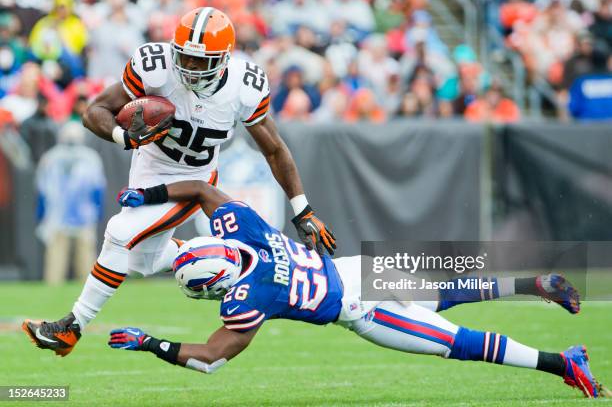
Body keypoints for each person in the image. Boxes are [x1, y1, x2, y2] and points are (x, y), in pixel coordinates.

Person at [21, 6, 335, 357]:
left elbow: (275, 150)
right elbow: (94, 110)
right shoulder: (156, 68)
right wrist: (124, 137)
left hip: (195, 178)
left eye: (202, 61)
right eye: (185, 57)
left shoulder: (244, 88)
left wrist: (301, 209)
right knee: (142, 261)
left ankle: (72, 326)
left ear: (223, 59)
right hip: (148, 168)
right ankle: (233, 260)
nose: (190, 67)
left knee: (120, 233)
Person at [103, 180, 605, 398]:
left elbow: (211, 358)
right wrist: (146, 196)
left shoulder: (246, 298)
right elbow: (200, 190)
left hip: (361, 309)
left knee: (460, 343)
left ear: (218, 283)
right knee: (446, 291)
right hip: (356, 268)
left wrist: (152, 344)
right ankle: (531, 282)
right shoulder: (243, 228)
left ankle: (563, 363)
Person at [35, 122, 105, 285]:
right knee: (62, 258)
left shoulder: (53, 157)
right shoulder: (54, 158)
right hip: (62, 215)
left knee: (79, 257)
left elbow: (41, 189)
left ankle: (86, 287)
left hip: (76, 214)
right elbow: (99, 188)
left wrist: (41, 213)